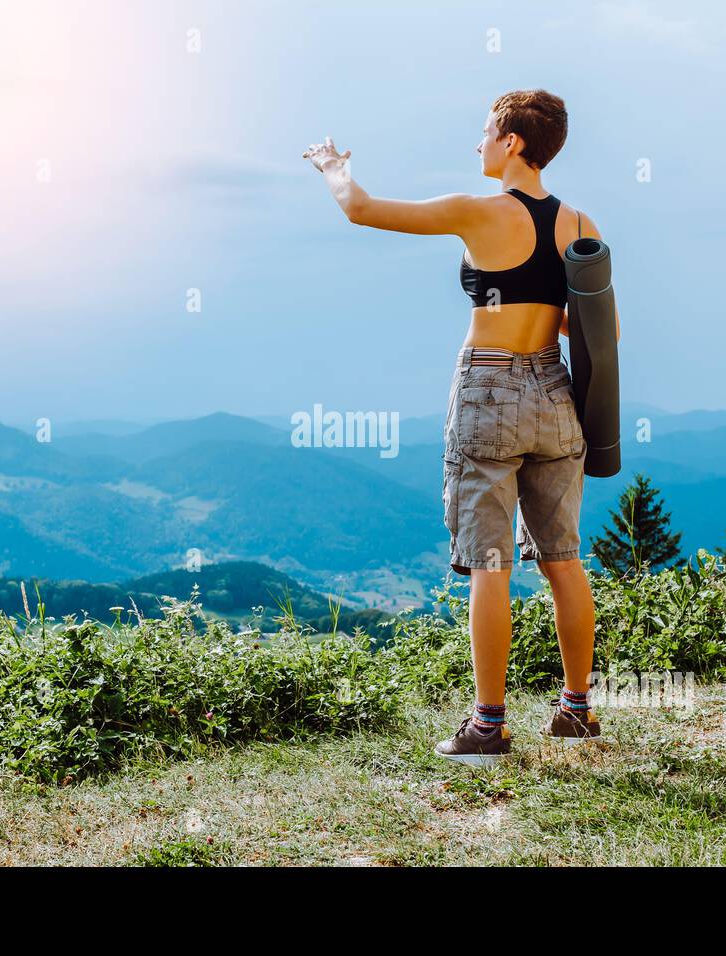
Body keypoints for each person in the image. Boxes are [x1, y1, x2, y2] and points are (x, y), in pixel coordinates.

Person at [304, 89, 619, 766]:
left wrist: (332, 165)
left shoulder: (477, 212)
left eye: (483, 132)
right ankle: (577, 711)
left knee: (490, 562)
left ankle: (488, 726)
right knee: (563, 558)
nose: (476, 144)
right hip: (554, 393)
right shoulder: (579, 223)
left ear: (511, 142)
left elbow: (360, 209)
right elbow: (599, 330)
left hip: (491, 386)